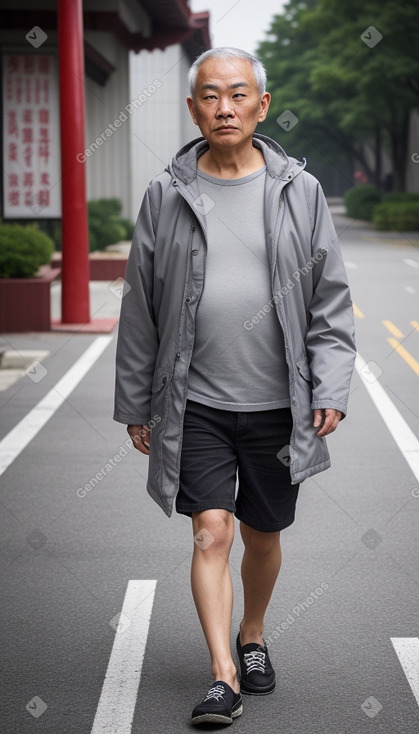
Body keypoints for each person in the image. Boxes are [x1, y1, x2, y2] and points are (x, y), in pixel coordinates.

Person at [114, 47, 356, 726]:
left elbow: (328, 302)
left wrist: (330, 386)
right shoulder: (166, 193)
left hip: (279, 406)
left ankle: (252, 633)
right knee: (210, 532)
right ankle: (223, 674)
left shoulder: (298, 191)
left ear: (261, 105)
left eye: (238, 94)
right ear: (193, 108)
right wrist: (136, 401)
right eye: (210, 96)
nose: (224, 107)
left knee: (263, 532)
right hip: (196, 405)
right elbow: (141, 307)